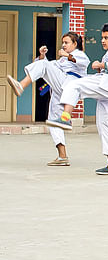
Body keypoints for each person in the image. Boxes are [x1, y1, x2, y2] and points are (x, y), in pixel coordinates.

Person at [47, 22, 108, 176]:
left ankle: (65, 116)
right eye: (102, 37)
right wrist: (102, 66)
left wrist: (100, 64)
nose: (103, 40)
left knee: (74, 85)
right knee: (105, 126)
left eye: (106, 37)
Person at [6, 32, 89, 166]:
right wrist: (42, 56)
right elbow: (47, 68)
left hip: (70, 85)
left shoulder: (80, 55)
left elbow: (82, 62)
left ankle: (21, 85)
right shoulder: (62, 60)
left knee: (44, 66)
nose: (63, 45)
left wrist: (67, 55)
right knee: (53, 121)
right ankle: (62, 156)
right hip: (59, 89)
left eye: (67, 42)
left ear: (75, 44)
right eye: (63, 42)